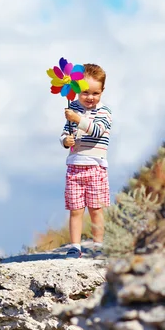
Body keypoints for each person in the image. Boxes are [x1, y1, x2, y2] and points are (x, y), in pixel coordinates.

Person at [60, 63, 112, 259]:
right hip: (74, 166)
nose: (90, 97)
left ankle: (99, 246)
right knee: (76, 209)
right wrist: (65, 141)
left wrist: (78, 119)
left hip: (95, 167)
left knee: (96, 209)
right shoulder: (72, 107)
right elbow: (67, 132)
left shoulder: (104, 112)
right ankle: (75, 246)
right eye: (85, 92)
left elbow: (97, 131)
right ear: (76, 90)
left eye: (95, 93)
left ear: (102, 91)